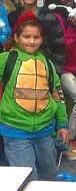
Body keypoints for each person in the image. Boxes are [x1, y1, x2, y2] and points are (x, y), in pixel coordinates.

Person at [0, 12, 69, 180]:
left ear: (42, 39)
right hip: (15, 132)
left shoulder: (47, 63)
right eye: (26, 36)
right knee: (26, 178)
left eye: (36, 37)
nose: (31, 41)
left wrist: (62, 123)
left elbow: (57, 94)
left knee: (50, 175)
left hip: (45, 131)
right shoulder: (6, 59)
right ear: (16, 37)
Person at [43, 0, 76, 160]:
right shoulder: (52, 17)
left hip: (73, 68)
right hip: (61, 71)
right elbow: (58, 46)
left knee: (69, 106)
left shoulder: (71, 16)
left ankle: (69, 142)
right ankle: (66, 142)